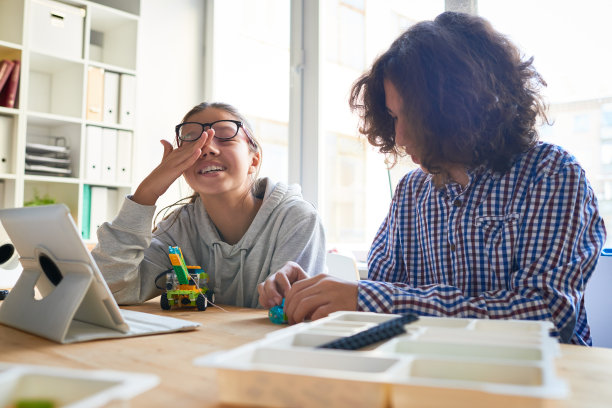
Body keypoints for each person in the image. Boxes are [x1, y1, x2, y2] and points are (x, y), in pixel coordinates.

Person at [258, 11, 606, 345]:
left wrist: (366, 298)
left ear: (461, 107)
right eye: (393, 117)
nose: (401, 136)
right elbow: (382, 291)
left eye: (412, 116)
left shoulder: (550, 174)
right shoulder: (411, 191)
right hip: (432, 373)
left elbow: (544, 318)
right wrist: (317, 291)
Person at [92, 102, 326, 308]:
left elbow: (287, 314)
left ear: (253, 160)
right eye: (193, 139)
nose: (208, 148)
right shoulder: (178, 228)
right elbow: (110, 289)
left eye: (225, 136)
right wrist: (146, 193)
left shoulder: (297, 219)